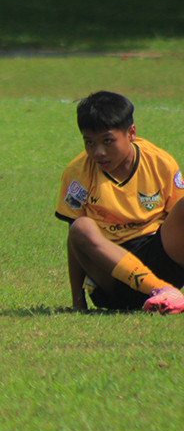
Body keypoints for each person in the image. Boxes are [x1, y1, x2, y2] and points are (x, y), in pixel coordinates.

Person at [56, 90, 184, 314]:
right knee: (81, 227)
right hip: (112, 278)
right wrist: (78, 303)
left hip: (158, 255)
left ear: (131, 133)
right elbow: (75, 242)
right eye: (89, 142)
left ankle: (166, 294)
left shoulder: (159, 162)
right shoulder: (77, 174)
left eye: (108, 141)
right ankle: (162, 291)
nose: (98, 152)